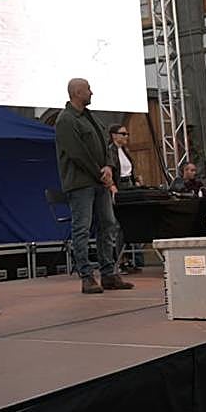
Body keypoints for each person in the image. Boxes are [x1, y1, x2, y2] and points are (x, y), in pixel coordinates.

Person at [54, 79, 133, 294]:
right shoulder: (66, 120)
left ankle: (108, 273)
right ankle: (86, 276)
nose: (92, 92)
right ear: (78, 92)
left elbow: (105, 144)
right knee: (82, 228)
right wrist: (101, 174)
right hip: (81, 184)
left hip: (99, 181)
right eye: (88, 89)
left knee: (108, 224)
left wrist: (108, 166)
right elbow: (77, 153)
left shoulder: (91, 117)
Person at [107, 124, 144, 271]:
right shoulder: (110, 151)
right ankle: (120, 260)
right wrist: (113, 188)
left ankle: (131, 259)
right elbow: (111, 171)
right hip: (119, 187)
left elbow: (130, 170)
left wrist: (136, 181)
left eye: (127, 134)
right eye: (123, 134)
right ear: (114, 135)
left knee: (132, 222)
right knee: (119, 225)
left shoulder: (125, 151)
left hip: (129, 186)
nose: (126, 136)